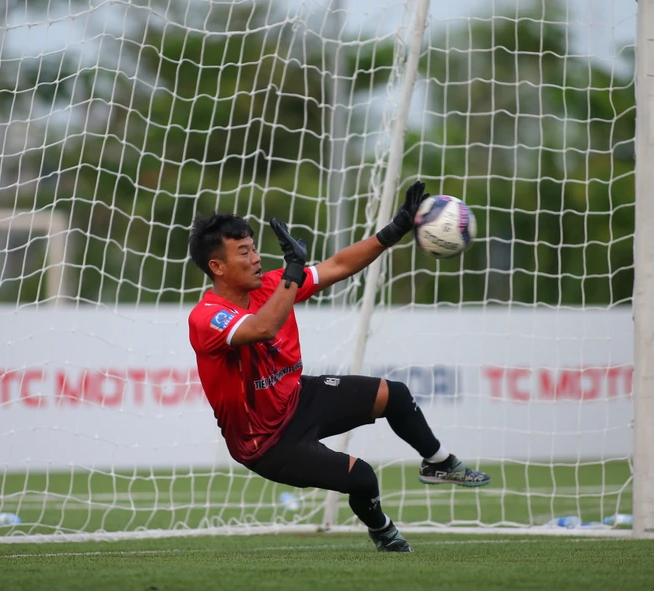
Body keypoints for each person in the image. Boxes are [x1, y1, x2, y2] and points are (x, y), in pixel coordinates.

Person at [187, 181, 489, 553]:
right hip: (265, 442)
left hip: (297, 397)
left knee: (394, 395)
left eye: (254, 249)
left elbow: (338, 265)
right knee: (362, 477)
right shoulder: (207, 317)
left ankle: (438, 462)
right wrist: (293, 272)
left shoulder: (271, 285)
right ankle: (383, 531)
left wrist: (392, 232)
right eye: (244, 253)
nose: (256, 259)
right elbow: (262, 328)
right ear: (216, 266)